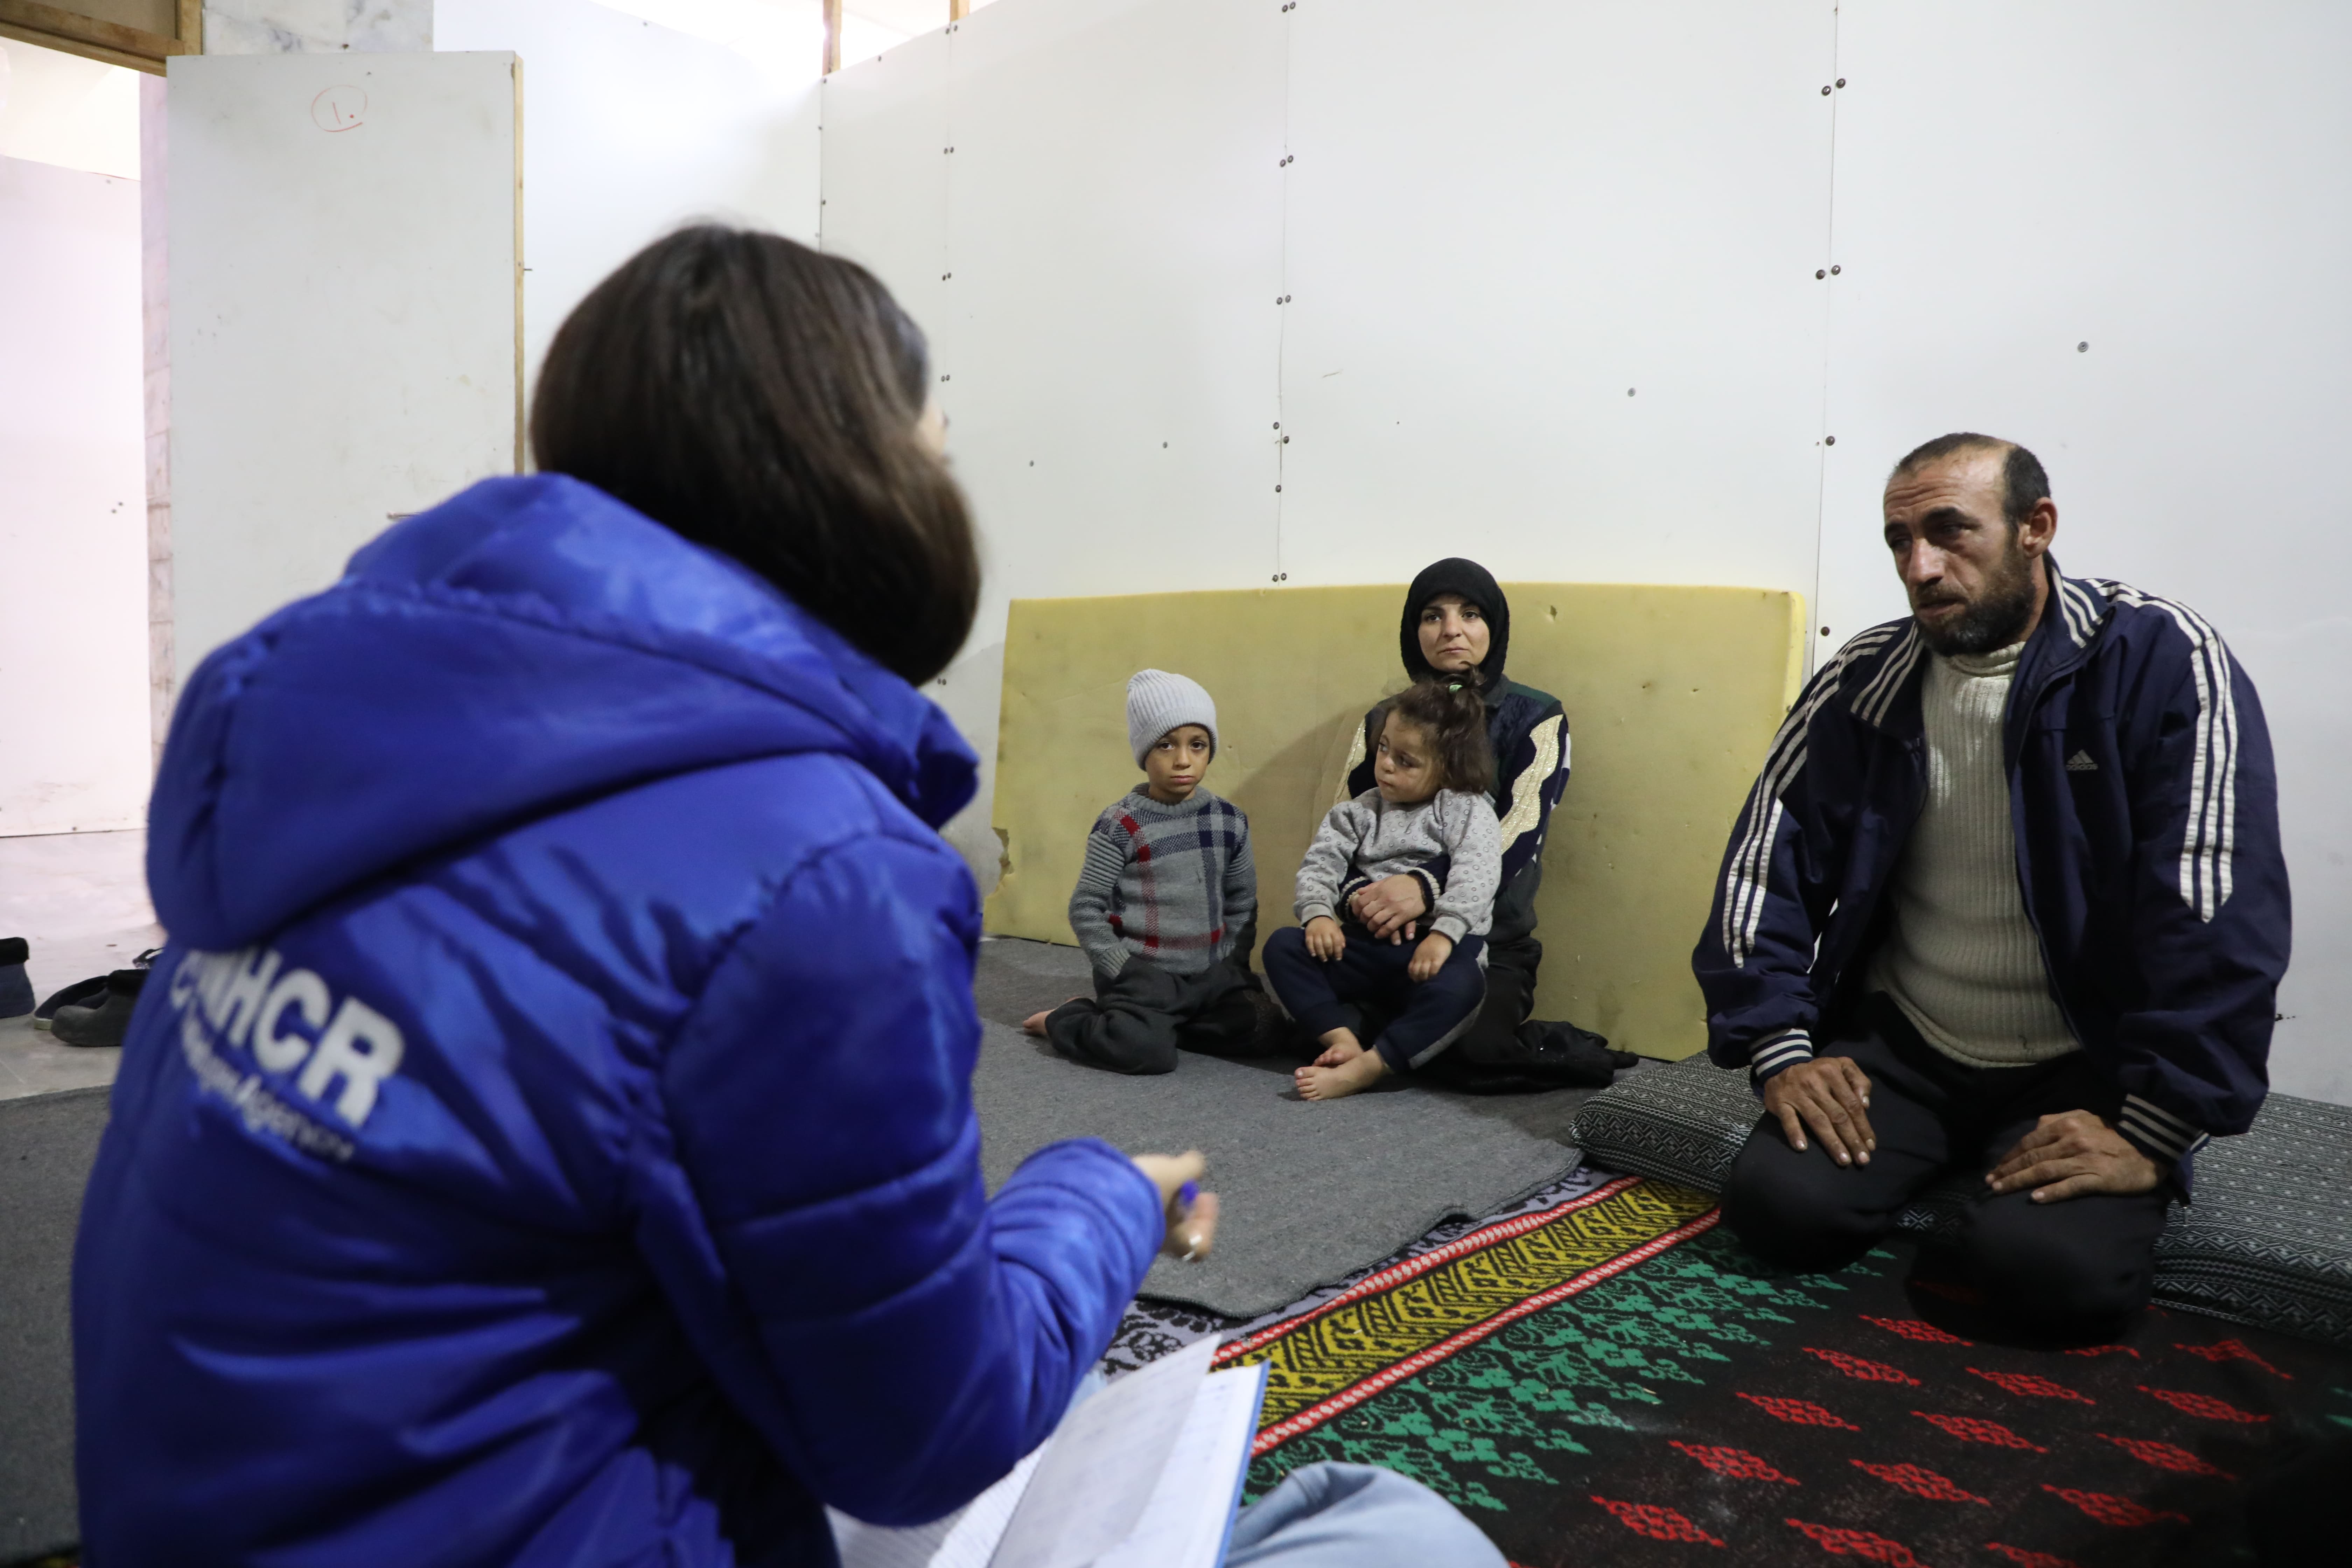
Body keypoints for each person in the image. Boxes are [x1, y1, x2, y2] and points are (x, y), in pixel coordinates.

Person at [70, 227, 1505, 1568]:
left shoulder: (313, 710)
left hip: (207, 1519)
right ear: (854, 467)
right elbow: (929, 1434)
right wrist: (1102, 1192)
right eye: (934, 438)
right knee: (1392, 1530)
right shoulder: (811, 869)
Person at [1693, 433, 2290, 1334]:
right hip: (1909, 1041)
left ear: (2034, 527)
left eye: (1950, 531)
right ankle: (1942, 1150)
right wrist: (1781, 1048)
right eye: (1900, 541)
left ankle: (2006, 1183)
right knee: (1779, 1210)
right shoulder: (1864, 679)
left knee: (2053, 1276)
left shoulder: (2160, 658)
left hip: (2087, 1056)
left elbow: (2217, 908)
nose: (1921, 567)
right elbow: (1762, 864)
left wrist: (2154, 1132)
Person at [1334, 560, 1626, 1091]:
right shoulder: (1382, 719)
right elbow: (1343, 829)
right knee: (1321, 1023)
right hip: (1382, 938)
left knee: (1470, 1052)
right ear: (1413, 632)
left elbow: (1518, 836)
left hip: (1484, 943)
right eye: (1433, 616)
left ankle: (1552, 1045)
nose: (1451, 630)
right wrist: (1364, 900)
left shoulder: (1536, 716)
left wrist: (1423, 887)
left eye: (1470, 614)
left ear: (1494, 627)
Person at [1265, 679, 1501, 1100]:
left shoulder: (1466, 808)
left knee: (1464, 986)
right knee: (1283, 946)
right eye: (1384, 749)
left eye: (1406, 760)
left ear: (1449, 766)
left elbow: (1478, 873)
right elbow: (1321, 864)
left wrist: (1445, 934)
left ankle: (1370, 1068)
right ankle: (1343, 1041)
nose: (1387, 765)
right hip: (1363, 946)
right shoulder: (1357, 812)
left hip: (1431, 950)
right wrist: (1318, 914)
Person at [1020, 669, 1262, 1073]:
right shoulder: (1121, 825)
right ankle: (1070, 1018)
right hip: (1144, 975)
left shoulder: (1229, 821)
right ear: (1144, 752)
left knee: (1263, 1029)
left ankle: (1169, 1021)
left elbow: (1242, 902)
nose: (1183, 759)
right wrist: (1123, 969)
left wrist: (1231, 962)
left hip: (1209, 973)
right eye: (1166, 745)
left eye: (1197, 745)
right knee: (1145, 1052)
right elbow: (1086, 908)